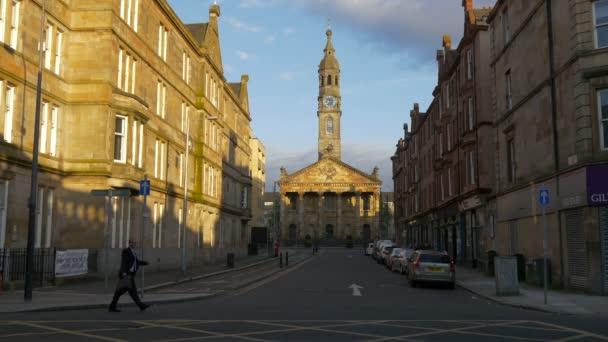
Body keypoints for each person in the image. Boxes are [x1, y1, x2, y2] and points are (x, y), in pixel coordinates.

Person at [108, 240, 150, 312]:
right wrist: (124, 271)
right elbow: (124, 261)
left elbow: (136, 262)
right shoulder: (126, 251)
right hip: (126, 274)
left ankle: (112, 306)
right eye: (132, 243)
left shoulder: (133, 252)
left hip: (130, 274)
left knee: (121, 291)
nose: (133, 244)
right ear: (129, 243)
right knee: (131, 291)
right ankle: (141, 305)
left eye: (134, 243)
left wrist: (144, 263)